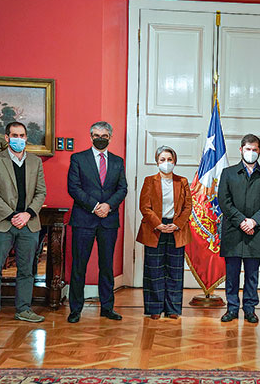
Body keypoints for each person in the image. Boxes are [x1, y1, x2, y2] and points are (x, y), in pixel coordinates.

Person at [0, 122, 47, 327]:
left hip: (28, 224)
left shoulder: (36, 162)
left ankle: (24, 309)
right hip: (2, 223)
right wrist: (12, 215)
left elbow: (41, 192)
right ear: (7, 138)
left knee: (27, 269)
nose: (18, 139)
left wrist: (27, 214)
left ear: (26, 138)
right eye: (14, 135)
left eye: (22, 135)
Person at [66, 121, 128, 323]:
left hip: (108, 221)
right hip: (84, 220)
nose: (100, 138)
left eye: (104, 135)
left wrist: (108, 206)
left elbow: (122, 189)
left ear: (110, 137)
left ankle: (107, 307)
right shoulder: (78, 158)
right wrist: (95, 206)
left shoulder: (118, 162)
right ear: (90, 136)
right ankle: (75, 309)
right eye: (96, 135)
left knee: (107, 266)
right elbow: (74, 188)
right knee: (79, 266)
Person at [218, 134, 260, 324]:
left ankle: (250, 308)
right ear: (241, 150)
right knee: (232, 274)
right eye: (248, 149)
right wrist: (242, 221)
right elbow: (224, 202)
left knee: (252, 274)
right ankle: (232, 308)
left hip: (255, 232)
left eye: (254, 149)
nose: (251, 152)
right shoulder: (228, 173)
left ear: (259, 151)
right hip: (233, 231)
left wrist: (254, 222)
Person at [136, 146, 191, 320]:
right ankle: (154, 308)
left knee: (174, 271)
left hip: (176, 229)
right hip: (155, 229)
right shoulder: (149, 181)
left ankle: (173, 308)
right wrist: (158, 225)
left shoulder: (182, 181)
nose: (166, 163)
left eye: (169, 160)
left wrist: (176, 224)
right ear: (157, 161)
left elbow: (188, 207)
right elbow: (145, 207)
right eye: (162, 160)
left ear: (174, 162)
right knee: (154, 269)